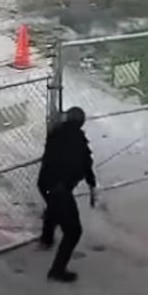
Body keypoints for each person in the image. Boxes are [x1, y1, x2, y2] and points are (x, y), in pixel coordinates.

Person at [36, 106, 97, 283]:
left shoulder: (56, 134)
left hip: (45, 185)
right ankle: (57, 270)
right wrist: (92, 184)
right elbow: (86, 163)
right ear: (81, 123)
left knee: (54, 208)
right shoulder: (78, 141)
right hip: (59, 189)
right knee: (74, 231)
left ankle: (46, 239)